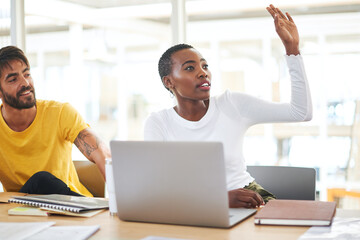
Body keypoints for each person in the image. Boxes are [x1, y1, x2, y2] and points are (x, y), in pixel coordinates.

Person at [144, 4, 312, 208]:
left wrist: (292, 49)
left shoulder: (232, 104)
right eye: (190, 68)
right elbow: (156, 186)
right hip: (189, 205)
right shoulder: (158, 122)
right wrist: (218, 199)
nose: (202, 72)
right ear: (169, 82)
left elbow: (300, 112)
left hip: (247, 199)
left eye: (205, 66)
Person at [0, 45, 111, 197]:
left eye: (27, 74)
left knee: (41, 180)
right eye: (13, 79)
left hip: (72, 207)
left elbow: (101, 152)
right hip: (22, 213)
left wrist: (119, 199)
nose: (25, 83)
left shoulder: (59, 113)